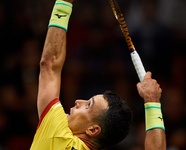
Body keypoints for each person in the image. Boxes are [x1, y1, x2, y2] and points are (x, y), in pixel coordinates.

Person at [30, 0, 166, 149]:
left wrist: (64, 3)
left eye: (88, 105)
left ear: (93, 130)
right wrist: (152, 102)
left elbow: (49, 65)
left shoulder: (57, 133)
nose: (78, 101)